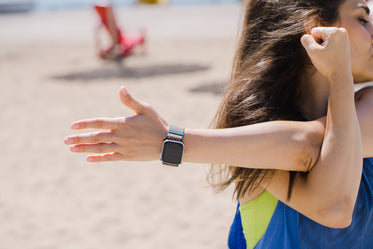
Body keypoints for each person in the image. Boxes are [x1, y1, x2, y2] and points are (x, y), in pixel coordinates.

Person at [64, 0, 373, 248]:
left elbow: (311, 144)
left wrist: (171, 142)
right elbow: (332, 203)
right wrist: (339, 76)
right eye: (362, 18)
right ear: (315, 29)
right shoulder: (250, 117)